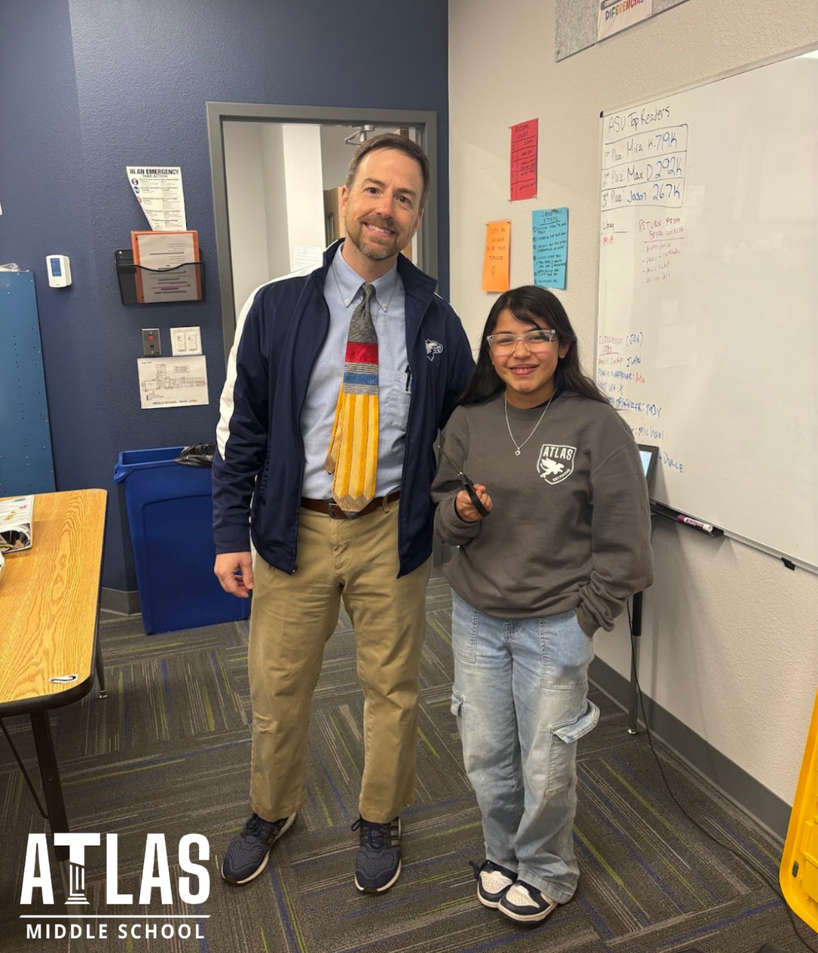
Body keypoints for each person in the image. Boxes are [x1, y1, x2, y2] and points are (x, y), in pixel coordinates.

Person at [212, 133, 474, 895]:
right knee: (278, 684)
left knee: (393, 690)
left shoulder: (433, 317)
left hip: (392, 531)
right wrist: (232, 532)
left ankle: (381, 816)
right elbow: (242, 428)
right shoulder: (277, 306)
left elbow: (467, 416)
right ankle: (271, 809)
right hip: (295, 531)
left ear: (418, 214)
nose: (385, 210)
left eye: (404, 198)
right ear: (344, 199)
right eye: (373, 191)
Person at [432, 286, 653, 924]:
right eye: (505, 338)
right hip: (476, 618)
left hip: (556, 622)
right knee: (486, 754)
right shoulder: (469, 419)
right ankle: (502, 856)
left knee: (548, 760)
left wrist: (587, 616)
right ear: (489, 349)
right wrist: (462, 512)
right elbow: (441, 519)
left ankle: (549, 870)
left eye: (536, 336)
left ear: (561, 345)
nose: (520, 351)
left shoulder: (597, 424)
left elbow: (628, 545)